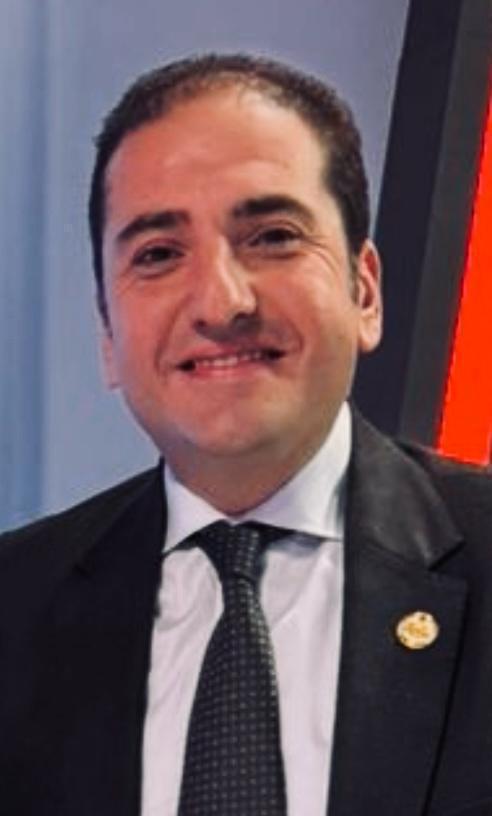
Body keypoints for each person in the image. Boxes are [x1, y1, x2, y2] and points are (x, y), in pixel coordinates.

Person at [1, 53, 491, 816]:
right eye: (159, 255)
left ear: (364, 292)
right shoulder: (15, 608)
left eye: (272, 236)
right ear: (107, 334)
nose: (222, 301)